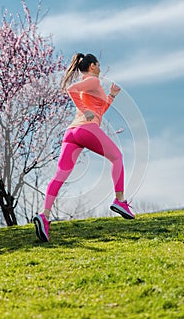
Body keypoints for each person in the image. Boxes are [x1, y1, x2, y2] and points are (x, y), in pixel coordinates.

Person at [34, 53, 135, 242]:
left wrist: (111, 96)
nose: (100, 68)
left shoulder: (89, 85)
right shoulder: (93, 82)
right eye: (98, 65)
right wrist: (86, 111)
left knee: (59, 176)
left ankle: (44, 216)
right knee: (117, 157)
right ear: (93, 66)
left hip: (72, 133)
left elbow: (100, 111)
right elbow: (71, 89)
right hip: (86, 130)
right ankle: (120, 201)